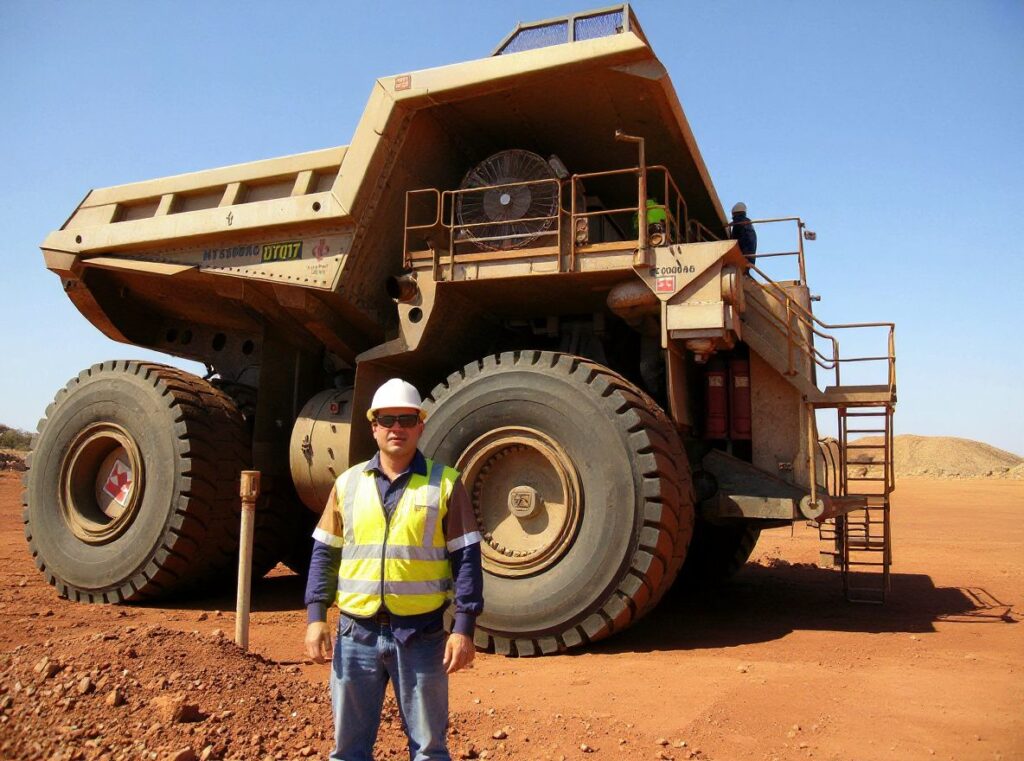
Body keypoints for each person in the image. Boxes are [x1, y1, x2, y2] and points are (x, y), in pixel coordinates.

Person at [304, 378, 483, 761]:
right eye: (387, 420)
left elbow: (466, 558)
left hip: (421, 635)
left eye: (406, 419)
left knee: (430, 750)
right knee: (347, 751)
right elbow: (325, 551)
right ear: (373, 427)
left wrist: (464, 628)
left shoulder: (446, 484)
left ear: (420, 424)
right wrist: (316, 616)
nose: (396, 428)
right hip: (355, 634)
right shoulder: (348, 483)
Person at [730, 202, 757, 266]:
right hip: (750, 257)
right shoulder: (748, 224)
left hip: (744, 255)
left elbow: (734, 240)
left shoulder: (738, 223)